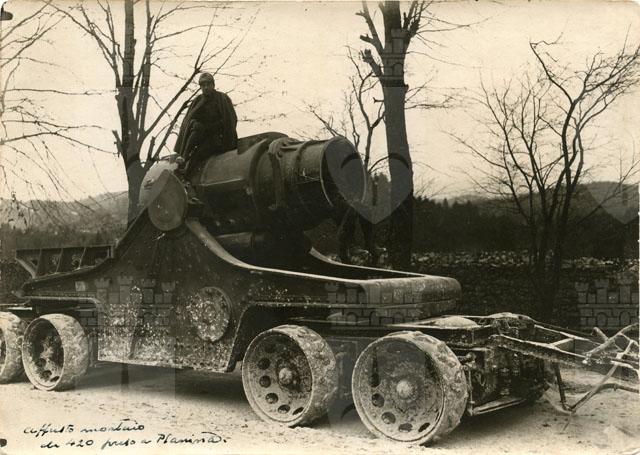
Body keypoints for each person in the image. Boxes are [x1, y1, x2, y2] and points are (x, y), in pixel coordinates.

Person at [174, 72, 238, 174]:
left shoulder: (222, 98)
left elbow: (230, 120)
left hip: (218, 137)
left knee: (199, 153)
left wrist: (210, 128)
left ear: (213, 85)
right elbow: (189, 119)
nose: (206, 87)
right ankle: (184, 157)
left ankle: (187, 173)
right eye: (203, 85)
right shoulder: (198, 100)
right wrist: (195, 124)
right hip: (200, 136)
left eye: (208, 84)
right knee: (198, 129)